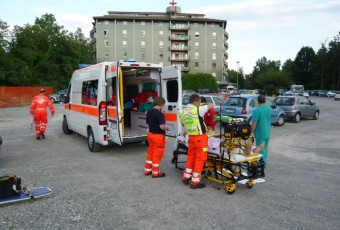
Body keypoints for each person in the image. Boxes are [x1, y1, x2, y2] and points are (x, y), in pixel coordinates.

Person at [179, 94, 213, 189]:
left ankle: (186, 177)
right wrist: (205, 103)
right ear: (196, 101)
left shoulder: (181, 112)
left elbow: (182, 124)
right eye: (199, 102)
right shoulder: (198, 110)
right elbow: (211, 105)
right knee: (200, 159)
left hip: (191, 138)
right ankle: (195, 182)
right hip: (200, 138)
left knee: (191, 157)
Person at [144, 97, 169, 178]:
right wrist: (167, 128)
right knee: (157, 154)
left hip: (150, 134)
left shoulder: (149, 111)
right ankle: (155, 172)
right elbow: (162, 126)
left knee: (151, 152)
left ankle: (147, 170)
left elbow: (148, 122)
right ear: (161, 104)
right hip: (158, 135)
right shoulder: (159, 113)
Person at [251, 95, 272, 163]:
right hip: (267, 131)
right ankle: (264, 161)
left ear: (258, 101)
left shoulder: (257, 111)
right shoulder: (269, 109)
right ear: (265, 101)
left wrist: (251, 131)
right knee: (265, 148)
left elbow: (254, 123)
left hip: (260, 132)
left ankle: (261, 163)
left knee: (260, 148)